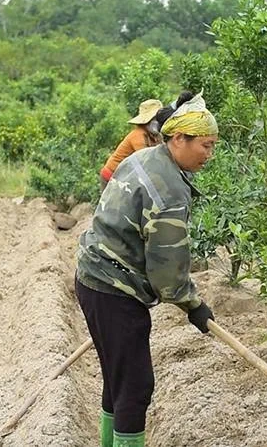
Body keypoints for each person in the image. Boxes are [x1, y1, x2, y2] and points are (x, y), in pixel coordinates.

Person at [75, 92, 219, 447]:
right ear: (178, 138)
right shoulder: (169, 191)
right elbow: (168, 274)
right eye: (205, 145)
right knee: (136, 387)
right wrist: (194, 306)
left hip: (92, 278)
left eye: (213, 146)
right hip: (115, 290)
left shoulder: (143, 158)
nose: (209, 155)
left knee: (118, 379)